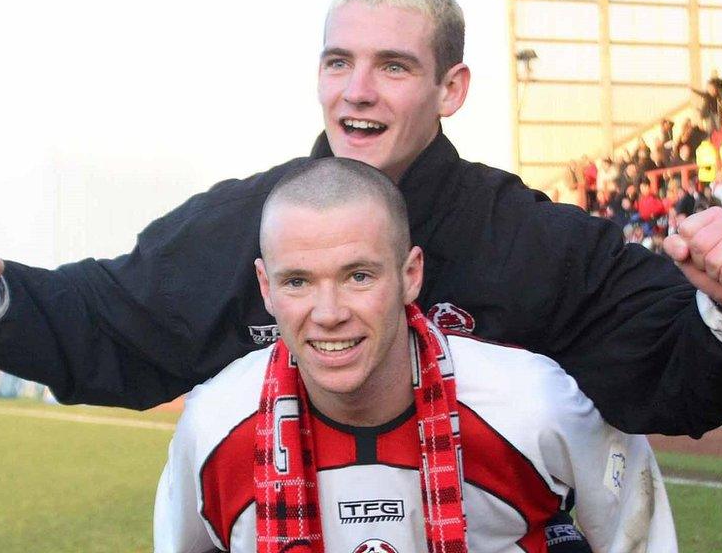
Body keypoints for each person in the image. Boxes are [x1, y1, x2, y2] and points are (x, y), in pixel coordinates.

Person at [0, 0, 722, 438]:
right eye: (338, 62)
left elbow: (669, 371)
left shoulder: (533, 240)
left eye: (393, 66)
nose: (358, 91)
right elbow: (110, 321)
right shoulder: (242, 224)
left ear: (451, 88)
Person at [153, 158, 678, 552]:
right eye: (298, 281)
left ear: (410, 275)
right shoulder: (214, 425)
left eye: (359, 276)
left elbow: (638, 531)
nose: (329, 312)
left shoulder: (534, 404)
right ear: (265, 288)